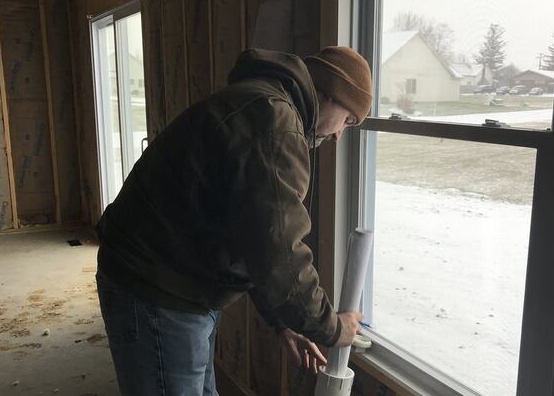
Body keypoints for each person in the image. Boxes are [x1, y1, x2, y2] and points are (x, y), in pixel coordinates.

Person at [95, 46, 373, 395]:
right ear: (330, 93)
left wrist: (284, 323)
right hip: (157, 285)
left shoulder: (263, 104)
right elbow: (279, 252)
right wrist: (332, 328)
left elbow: (251, 235)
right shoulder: (275, 124)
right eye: (347, 120)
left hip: (180, 280)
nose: (338, 135)